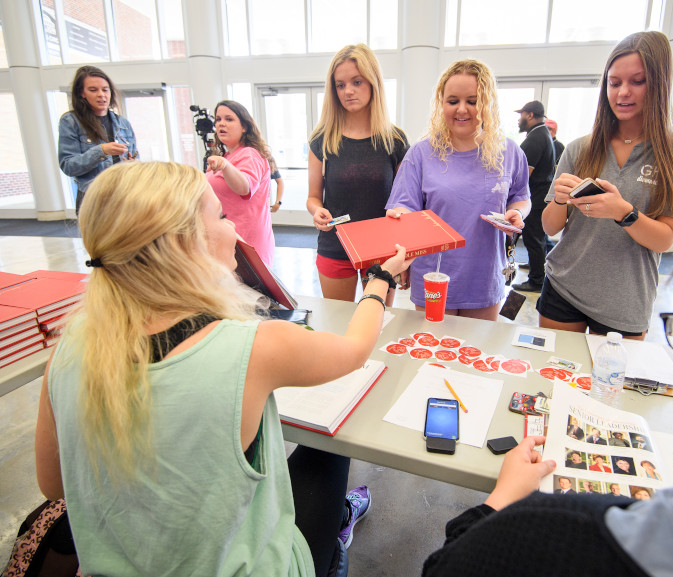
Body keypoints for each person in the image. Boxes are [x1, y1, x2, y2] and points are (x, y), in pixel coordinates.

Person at [421, 157, 673, 576]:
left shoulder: (550, 534)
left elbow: (444, 568)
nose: (622, 91)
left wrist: (500, 500)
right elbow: (549, 224)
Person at [35, 161, 413, 577]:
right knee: (328, 447)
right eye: (222, 216)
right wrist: (380, 279)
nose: (234, 230)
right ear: (184, 244)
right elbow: (355, 349)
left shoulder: (68, 348)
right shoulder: (252, 345)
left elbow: (54, 485)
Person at [539, 31, 673, 339]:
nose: (622, 93)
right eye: (614, 83)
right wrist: (560, 200)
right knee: (551, 382)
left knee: (610, 387)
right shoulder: (580, 148)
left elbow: (664, 240)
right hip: (563, 287)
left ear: (660, 83)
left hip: (625, 301)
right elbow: (550, 228)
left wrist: (623, 212)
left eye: (637, 81)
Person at [386, 59, 531, 321]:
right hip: (433, 273)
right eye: (453, 101)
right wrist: (399, 216)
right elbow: (404, 205)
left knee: (476, 355)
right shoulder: (420, 153)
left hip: (485, 274)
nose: (462, 109)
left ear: (487, 104)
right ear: (441, 104)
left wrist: (517, 213)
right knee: (433, 354)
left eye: (473, 101)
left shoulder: (509, 152)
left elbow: (521, 197)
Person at [307, 44, 409, 304]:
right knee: (337, 325)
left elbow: (405, 199)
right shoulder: (322, 139)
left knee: (379, 326)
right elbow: (313, 197)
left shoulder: (393, 140)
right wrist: (316, 210)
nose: (348, 91)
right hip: (335, 246)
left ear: (373, 83)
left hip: (382, 250)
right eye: (340, 85)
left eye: (356, 82)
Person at [58, 65, 138, 216]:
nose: (101, 95)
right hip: (93, 197)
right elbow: (68, 165)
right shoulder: (71, 121)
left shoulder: (123, 123)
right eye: (93, 90)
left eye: (105, 89)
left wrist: (132, 165)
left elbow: (134, 157)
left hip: (123, 195)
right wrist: (101, 151)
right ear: (82, 93)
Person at [206, 100, 276, 267]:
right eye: (218, 119)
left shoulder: (250, 154)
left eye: (229, 119)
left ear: (244, 126)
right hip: (228, 240)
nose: (221, 123)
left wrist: (225, 166)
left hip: (246, 243)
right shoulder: (229, 155)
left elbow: (245, 188)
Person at [510, 100, 555, 294]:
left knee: (533, 239)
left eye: (521, 115)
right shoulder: (543, 134)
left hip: (534, 198)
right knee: (539, 238)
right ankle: (537, 269)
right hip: (541, 196)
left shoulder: (534, 139)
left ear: (529, 115)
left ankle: (537, 280)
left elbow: (522, 177)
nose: (519, 119)